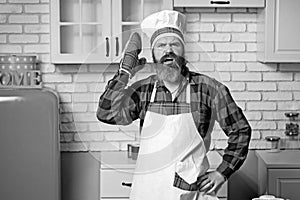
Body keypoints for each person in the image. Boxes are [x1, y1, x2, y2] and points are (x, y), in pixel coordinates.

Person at [97, 10, 251, 200]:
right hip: (148, 192)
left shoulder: (209, 89)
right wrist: (125, 73)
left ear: (183, 50)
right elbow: (105, 113)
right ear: (153, 53)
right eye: (161, 45)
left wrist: (222, 172)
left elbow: (240, 130)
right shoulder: (144, 90)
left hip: (189, 192)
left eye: (174, 44)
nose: (168, 50)